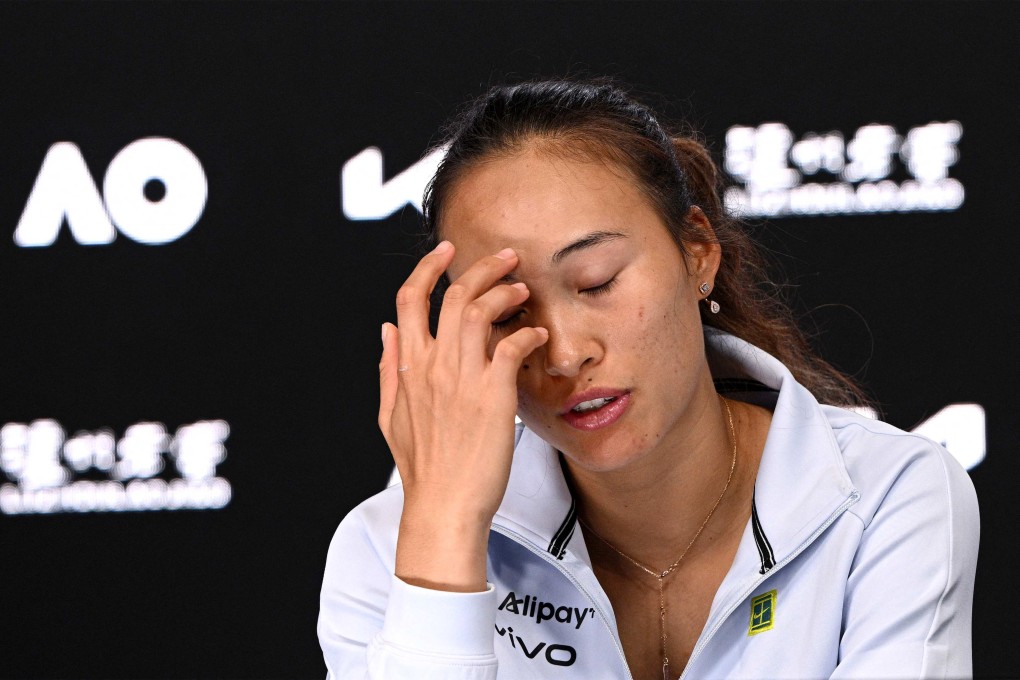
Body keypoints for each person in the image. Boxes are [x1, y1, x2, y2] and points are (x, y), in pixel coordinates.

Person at [318, 79, 979, 679]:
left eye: (597, 281)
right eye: (510, 311)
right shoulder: (389, 546)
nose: (566, 354)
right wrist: (446, 530)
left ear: (698, 251)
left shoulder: (887, 498)